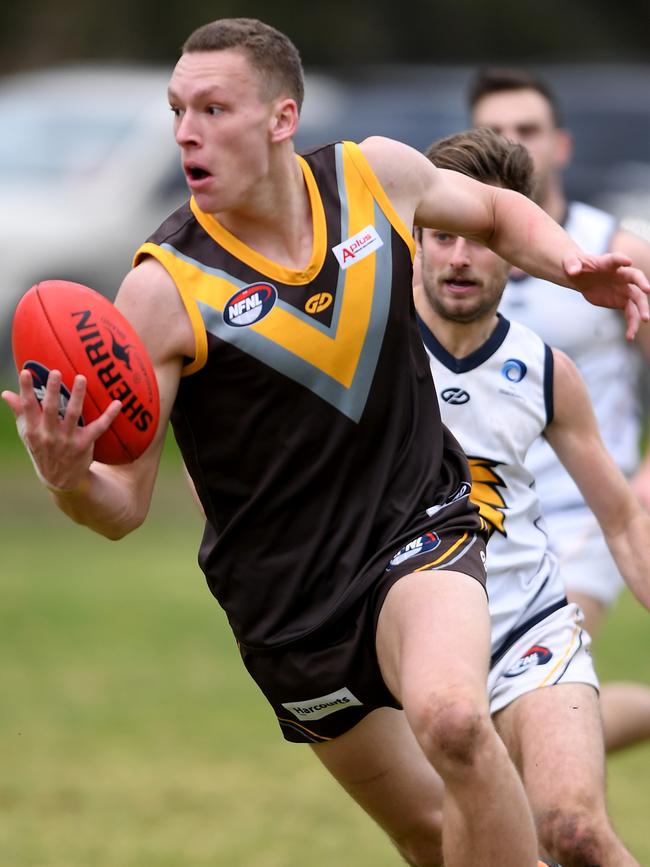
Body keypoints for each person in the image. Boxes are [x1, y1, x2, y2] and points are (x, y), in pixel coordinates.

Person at [2, 19, 649, 867]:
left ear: (280, 116)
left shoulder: (369, 176)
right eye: (176, 110)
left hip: (418, 528)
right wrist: (68, 476)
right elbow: (123, 506)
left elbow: (492, 207)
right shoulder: (163, 288)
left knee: (455, 722)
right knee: (427, 834)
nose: (186, 132)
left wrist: (570, 264)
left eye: (212, 107)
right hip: (291, 605)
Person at [413, 126, 650, 866]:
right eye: (441, 236)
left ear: (515, 248)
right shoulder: (367, 358)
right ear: (414, 238)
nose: (458, 258)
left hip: (530, 627)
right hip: (410, 653)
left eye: (480, 238)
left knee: (572, 831)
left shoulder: (544, 371)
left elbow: (621, 517)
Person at [468, 66, 650, 752]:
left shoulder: (617, 251)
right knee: (482, 718)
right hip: (478, 517)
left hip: (582, 514)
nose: (514, 146)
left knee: (521, 695)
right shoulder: (449, 260)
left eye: (528, 130)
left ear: (561, 145)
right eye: (496, 132)